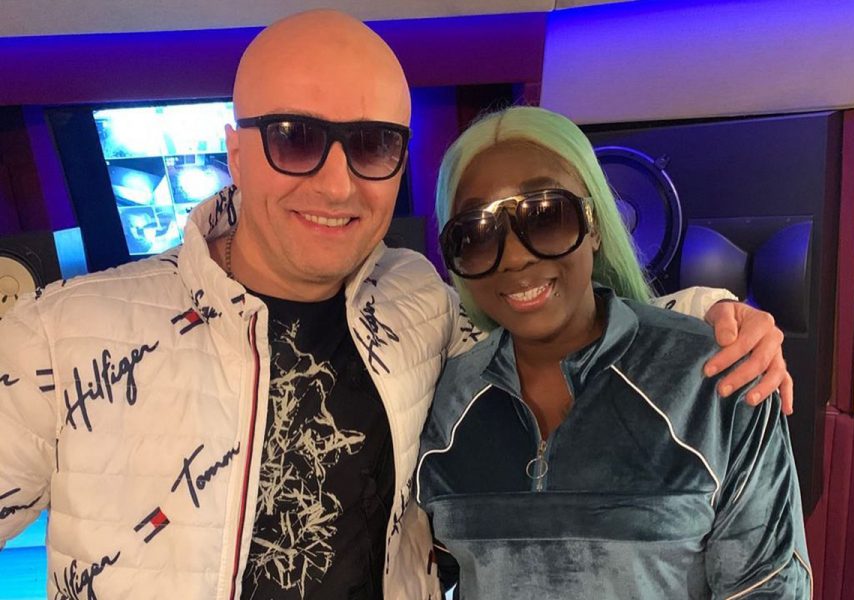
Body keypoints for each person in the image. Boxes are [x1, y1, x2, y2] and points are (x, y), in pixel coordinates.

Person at [0, 10, 791, 600]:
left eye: (372, 144)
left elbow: (551, 316)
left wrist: (711, 316)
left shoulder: (417, 305)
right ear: (235, 150)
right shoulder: (61, 333)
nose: (336, 183)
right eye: (293, 137)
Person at [416, 106, 811, 599]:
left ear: (596, 223)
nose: (514, 256)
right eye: (475, 234)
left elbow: (769, 587)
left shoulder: (718, 380)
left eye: (546, 216)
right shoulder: (445, 400)